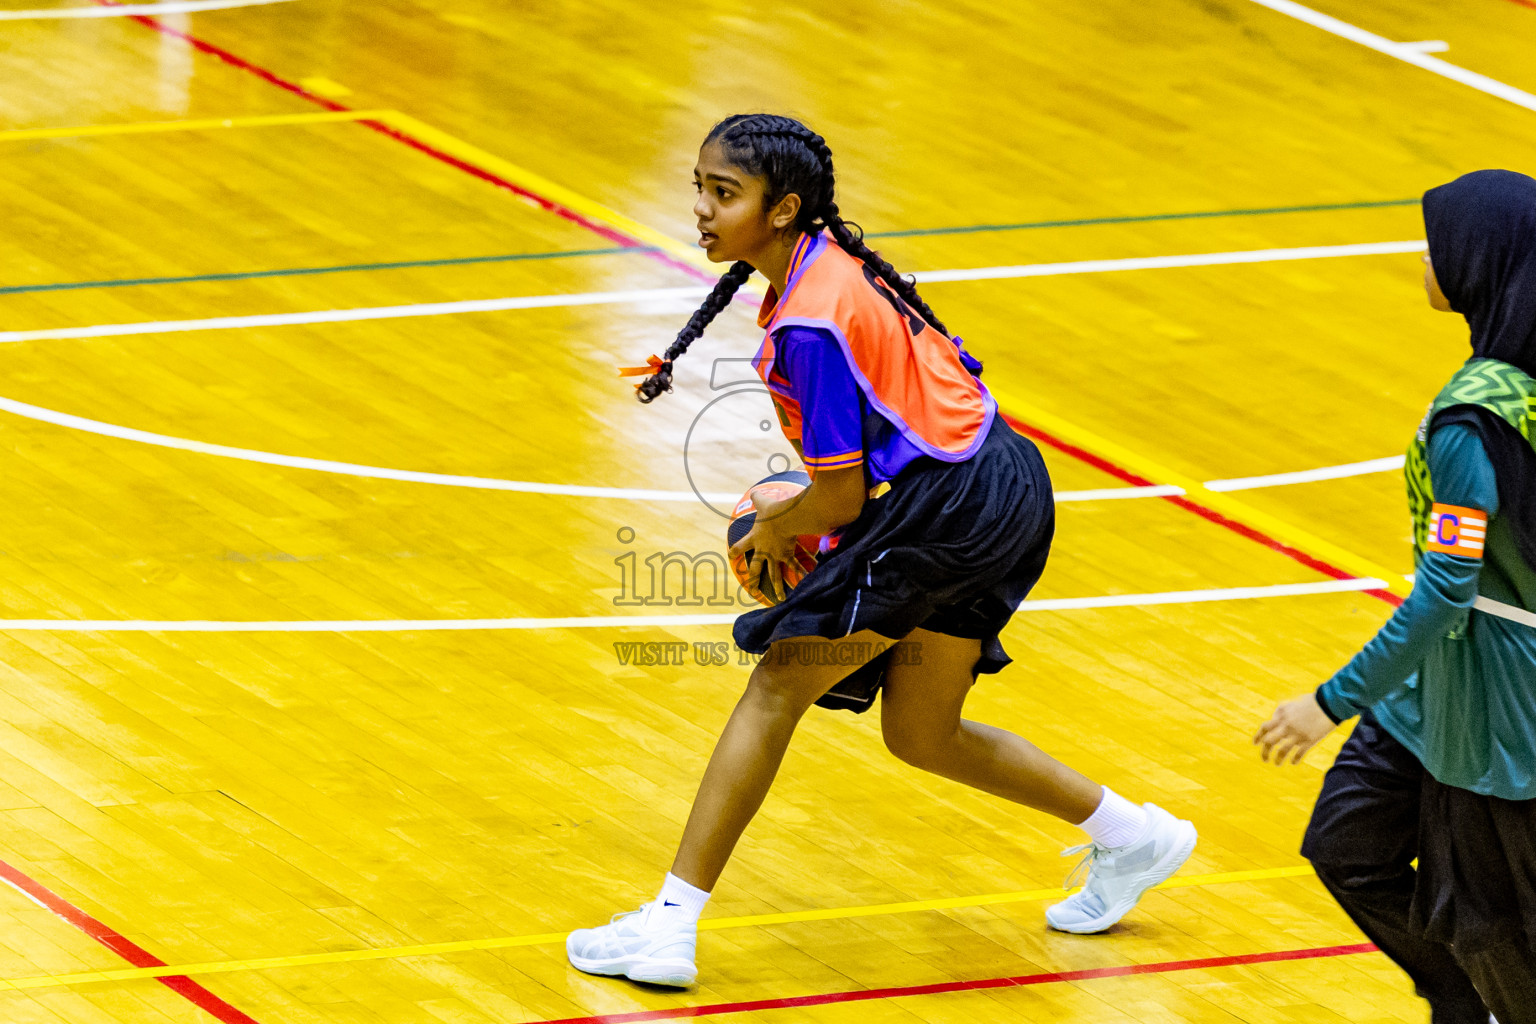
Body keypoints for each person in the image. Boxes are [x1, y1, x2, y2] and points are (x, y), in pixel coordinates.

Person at [566, 113, 1197, 988]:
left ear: (782, 209)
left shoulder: (809, 325)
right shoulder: (829, 266)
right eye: (700, 189)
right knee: (921, 731)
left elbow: (840, 496)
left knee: (777, 682)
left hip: (949, 505)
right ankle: (1135, 836)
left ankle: (667, 928)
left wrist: (769, 532)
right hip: (1004, 481)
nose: (703, 212)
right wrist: (796, 523)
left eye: (725, 194)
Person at [1255, 169, 1536, 1024]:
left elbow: (1447, 590)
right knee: (1347, 846)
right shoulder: (1503, 379)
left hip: (1491, 694)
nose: (1423, 258)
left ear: (1478, 263)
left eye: (1434, 244)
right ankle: (1462, 1004)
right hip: (1437, 686)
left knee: (1497, 921)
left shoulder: (1469, 422)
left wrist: (1326, 701)